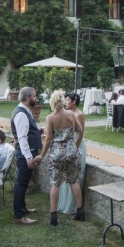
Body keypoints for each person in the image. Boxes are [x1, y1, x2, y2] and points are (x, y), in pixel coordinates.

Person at [35, 90, 85, 226]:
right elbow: (80, 131)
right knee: (73, 181)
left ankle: (53, 216)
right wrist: (71, 142)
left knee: (55, 183)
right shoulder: (71, 114)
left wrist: (42, 154)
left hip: (57, 153)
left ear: (52, 102)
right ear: (63, 101)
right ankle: (80, 212)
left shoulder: (51, 118)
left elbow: (49, 139)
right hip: (71, 151)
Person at [9, 87, 40, 225]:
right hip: (24, 154)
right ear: (28, 98)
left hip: (25, 152)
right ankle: (19, 216)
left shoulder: (24, 111)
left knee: (23, 183)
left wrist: (37, 131)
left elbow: (25, 132)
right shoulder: (21, 114)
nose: (35, 98)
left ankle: (23, 208)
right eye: (34, 96)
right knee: (21, 184)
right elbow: (22, 138)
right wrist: (28, 157)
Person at [56, 93, 87, 215]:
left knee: (74, 176)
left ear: (74, 101)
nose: (65, 103)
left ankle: (74, 205)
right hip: (67, 145)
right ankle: (64, 203)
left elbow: (80, 133)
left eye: (67, 100)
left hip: (76, 146)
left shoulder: (79, 115)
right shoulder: (67, 114)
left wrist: (74, 149)